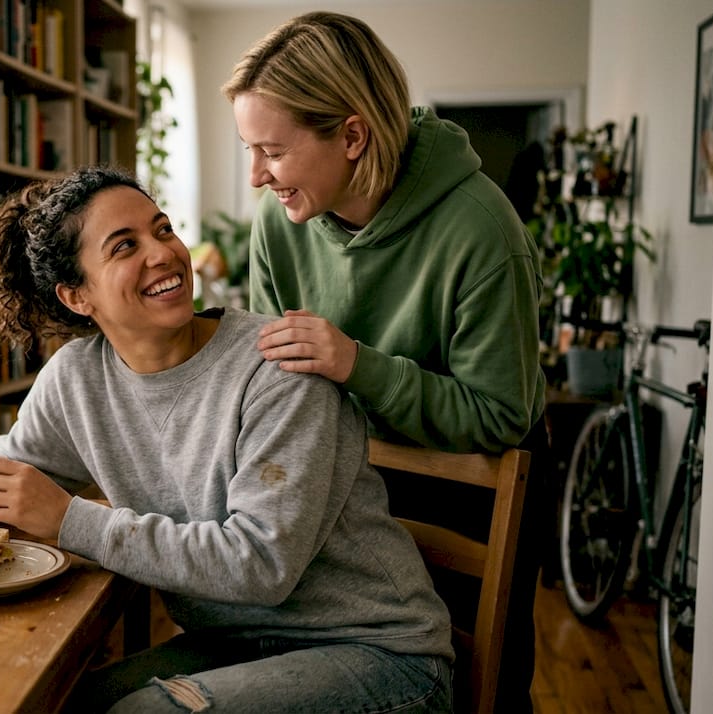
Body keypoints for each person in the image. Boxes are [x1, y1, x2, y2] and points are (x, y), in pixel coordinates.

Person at [0, 166, 453, 712]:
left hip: (377, 654)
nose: (164, 254)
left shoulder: (278, 368)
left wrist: (72, 520)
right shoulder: (79, 376)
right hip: (236, 644)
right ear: (77, 297)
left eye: (163, 229)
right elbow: (17, 490)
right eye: (124, 246)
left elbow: (261, 566)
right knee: (53, 702)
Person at [222, 12, 550, 712]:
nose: (256, 177)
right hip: (348, 474)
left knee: (478, 690)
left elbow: (500, 415)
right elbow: (270, 378)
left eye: (272, 152)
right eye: (250, 151)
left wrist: (356, 364)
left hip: (476, 487)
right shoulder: (280, 226)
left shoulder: (484, 232)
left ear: (352, 134)